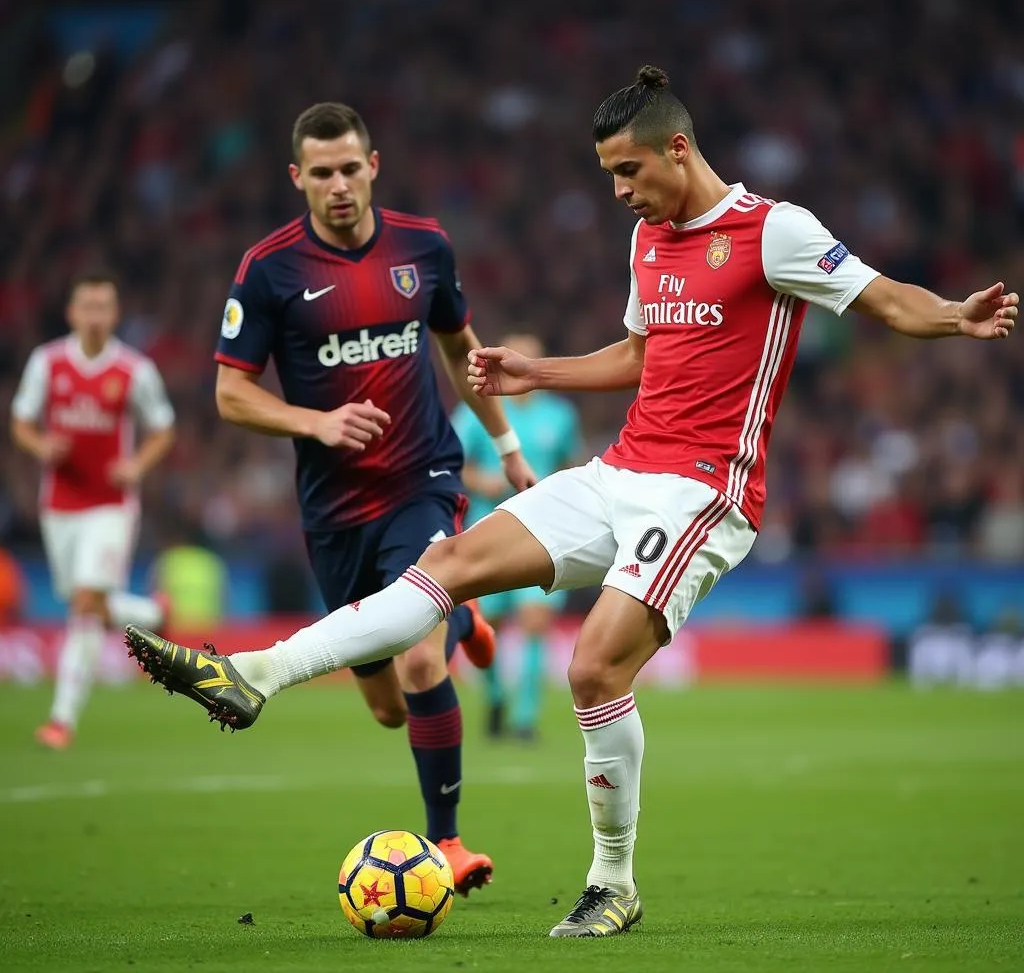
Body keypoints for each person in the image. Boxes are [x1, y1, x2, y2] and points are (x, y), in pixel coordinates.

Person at [125, 66, 1017, 935]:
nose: (621, 192)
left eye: (629, 172)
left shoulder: (772, 232)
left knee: (593, 668)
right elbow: (640, 355)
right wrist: (536, 373)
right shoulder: (647, 242)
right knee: (448, 563)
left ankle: (612, 883)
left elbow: (885, 299)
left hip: (707, 489)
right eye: (609, 178)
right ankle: (253, 677)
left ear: (677, 147)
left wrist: (956, 315)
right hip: (619, 471)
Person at [202, 102, 535, 893]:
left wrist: (509, 446)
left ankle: (446, 843)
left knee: (421, 657)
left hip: (422, 481)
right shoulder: (270, 268)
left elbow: (462, 350)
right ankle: (463, 613)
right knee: (389, 705)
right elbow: (230, 394)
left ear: (373, 165)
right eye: (322, 173)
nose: (339, 185)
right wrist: (315, 422)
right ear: (298, 178)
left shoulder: (424, 246)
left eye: (351, 168)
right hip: (335, 511)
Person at [12, 271, 175, 749]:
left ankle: (61, 719)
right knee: (88, 602)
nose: (96, 316)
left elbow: (163, 428)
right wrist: (41, 445)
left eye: (104, 307)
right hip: (59, 504)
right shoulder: (47, 363)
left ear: (115, 314)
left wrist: (137, 465)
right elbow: (21, 421)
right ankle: (150, 613)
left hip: (111, 505)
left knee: (85, 605)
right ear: (72, 313)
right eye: (88, 306)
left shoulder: (133, 370)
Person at [451, 333, 582, 741]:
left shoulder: (559, 414)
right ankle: (493, 696)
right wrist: (481, 480)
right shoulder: (478, 410)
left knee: (534, 621)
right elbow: (452, 462)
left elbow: (570, 464)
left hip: (543, 530)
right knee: (486, 625)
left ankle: (525, 720)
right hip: (489, 528)